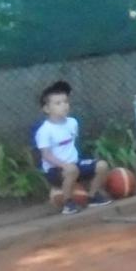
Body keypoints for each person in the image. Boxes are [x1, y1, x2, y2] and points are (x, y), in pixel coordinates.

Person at [34, 80, 112, 215]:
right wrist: (64, 165)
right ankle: (68, 203)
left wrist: (72, 164)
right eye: (58, 103)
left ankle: (92, 196)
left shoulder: (72, 123)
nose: (64, 106)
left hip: (74, 164)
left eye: (66, 102)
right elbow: (46, 155)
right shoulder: (44, 131)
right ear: (47, 109)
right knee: (71, 170)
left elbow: (72, 143)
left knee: (102, 165)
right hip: (54, 169)